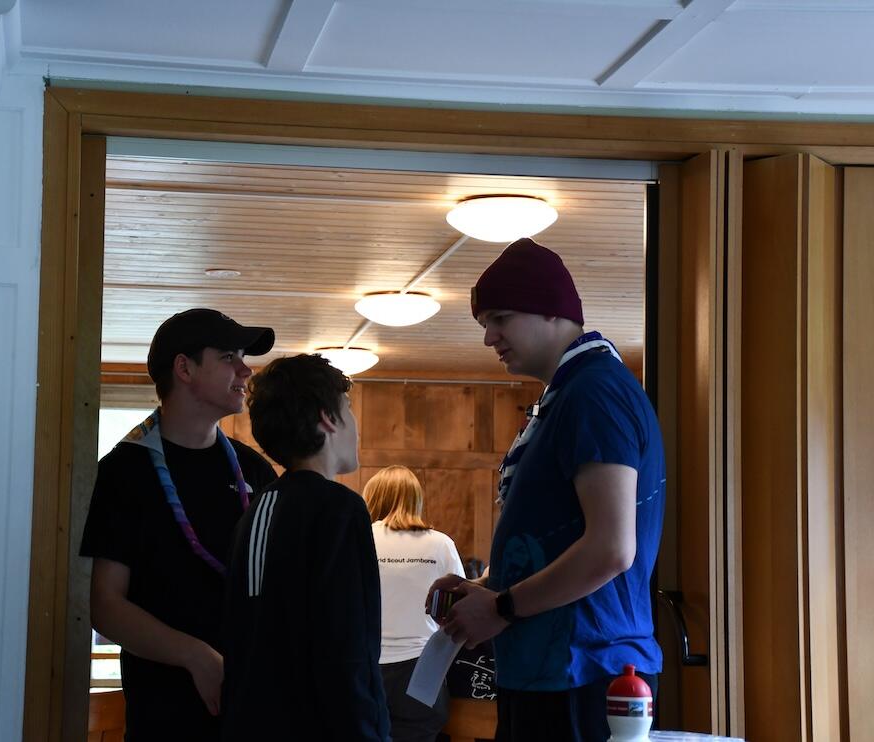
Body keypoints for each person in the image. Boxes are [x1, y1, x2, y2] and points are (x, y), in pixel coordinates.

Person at [428, 238, 666, 742]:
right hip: (553, 666)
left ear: (552, 309)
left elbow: (611, 548)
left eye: (500, 318)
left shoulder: (595, 393)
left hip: (585, 668)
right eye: (484, 323)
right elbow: (559, 538)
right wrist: (487, 588)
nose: (489, 337)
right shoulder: (568, 395)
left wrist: (501, 607)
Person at [79, 308, 279, 741]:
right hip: (164, 717)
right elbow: (105, 605)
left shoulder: (255, 471)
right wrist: (197, 657)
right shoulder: (124, 471)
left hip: (250, 710)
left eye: (243, 358)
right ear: (184, 369)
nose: (246, 370)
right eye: (228, 357)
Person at [221, 354, 390, 742]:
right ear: (327, 418)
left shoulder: (256, 509)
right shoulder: (339, 508)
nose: (355, 425)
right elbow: (349, 648)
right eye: (348, 408)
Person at [362, 465, 465, 742]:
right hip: (423, 669)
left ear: (372, 497)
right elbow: (460, 609)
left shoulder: (360, 538)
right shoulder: (441, 544)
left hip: (366, 667)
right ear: (415, 500)